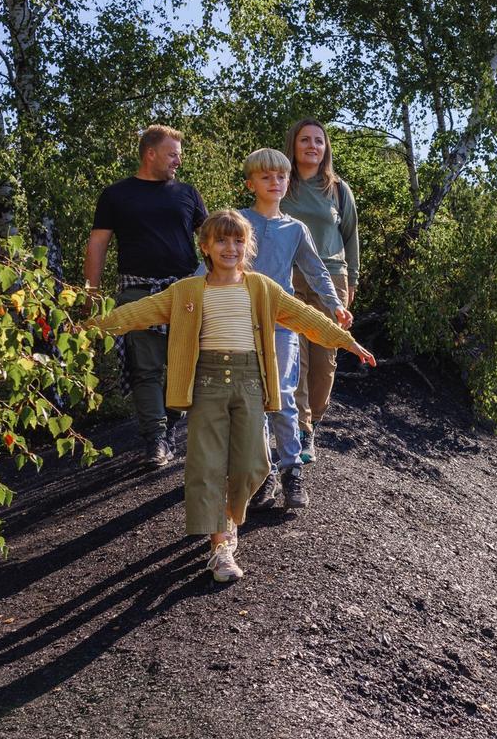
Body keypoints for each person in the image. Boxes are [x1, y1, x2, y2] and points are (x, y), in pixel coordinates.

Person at [91, 210, 376, 582]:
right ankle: (220, 547)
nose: (231, 247)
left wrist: (348, 341)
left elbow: (307, 317)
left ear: (248, 245)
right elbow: (136, 313)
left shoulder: (261, 288)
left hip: (250, 384)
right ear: (205, 246)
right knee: (206, 466)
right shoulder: (187, 291)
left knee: (253, 465)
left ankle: (228, 515)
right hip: (206, 384)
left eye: (238, 240)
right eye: (222, 240)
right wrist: (87, 329)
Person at [85, 125, 208, 468]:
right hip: (138, 292)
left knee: (189, 364)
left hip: (185, 290)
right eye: (172, 154)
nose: (178, 161)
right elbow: (97, 245)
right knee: (146, 369)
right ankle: (155, 439)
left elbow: (211, 238)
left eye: (179, 154)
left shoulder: (187, 193)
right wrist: (91, 294)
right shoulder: (116, 195)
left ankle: (169, 423)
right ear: (150, 153)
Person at [237, 148, 349, 511]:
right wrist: (186, 299)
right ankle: (263, 471)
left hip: (282, 322)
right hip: (242, 321)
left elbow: (316, 270)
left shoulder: (295, 228)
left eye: (281, 177)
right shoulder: (237, 221)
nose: (275, 183)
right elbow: (209, 263)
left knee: (283, 395)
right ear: (250, 182)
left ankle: (292, 470)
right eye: (266, 177)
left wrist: (334, 304)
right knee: (252, 400)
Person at [281, 117, 361, 465]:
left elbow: (351, 238)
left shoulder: (339, 189)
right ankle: (301, 429)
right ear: (294, 146)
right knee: (293, 353)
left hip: (331, 278)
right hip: (289, 277)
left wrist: (353, 280)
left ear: (326, 148)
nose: (312, 146)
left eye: (318, 140)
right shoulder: (282, 184)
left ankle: (313, 418)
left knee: (325, 358)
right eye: (305, 140)